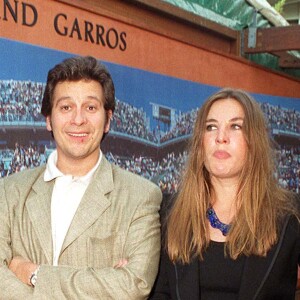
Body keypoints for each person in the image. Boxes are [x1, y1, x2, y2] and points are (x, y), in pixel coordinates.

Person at [0, 56, 162, 299]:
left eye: (90, 107)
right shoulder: (8, 191)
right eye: (66, 107)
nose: (78, 119)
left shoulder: (141, 196)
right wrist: (103, 280)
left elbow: (133, 285)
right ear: (48, 119)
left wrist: (35, 274)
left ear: (107, 120)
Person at [150, 88, 300, 300]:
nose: (221, 137)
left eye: (235, 126)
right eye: (211, 127)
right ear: (200, 143)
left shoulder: (290, 214)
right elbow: (160, 293)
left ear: (254, 141)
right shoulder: (169, 213)